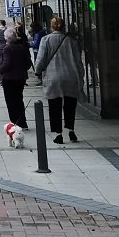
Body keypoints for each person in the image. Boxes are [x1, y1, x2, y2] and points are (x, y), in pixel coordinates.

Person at [34, 16, 84, 144]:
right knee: (70, 105)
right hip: (70, 75)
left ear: (51, 26)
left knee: (54, 106)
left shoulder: (46, 40)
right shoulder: (71, 41)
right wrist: (81, 75)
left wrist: (37, 71)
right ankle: (71, 131)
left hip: (53, 76)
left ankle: (58, 134)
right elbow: (78, 61)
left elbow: (40, 59)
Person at [0, 27, 31, 128]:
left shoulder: (7, 49)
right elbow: (28, 63)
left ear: (7, 38)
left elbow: (7, 64)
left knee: (11, 101)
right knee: (19, 100)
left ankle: (15, 122)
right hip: (20, 78)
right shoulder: (21, 47)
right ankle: (22, 122)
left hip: (9, 79)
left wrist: (0, 69)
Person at [29, 22, 45, 86]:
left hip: (38, 50)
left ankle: (41, 78)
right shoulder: (40, 32)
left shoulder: (38, 34)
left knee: (38, 63)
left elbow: (36, 43)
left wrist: (29, 44)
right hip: (38, 49)